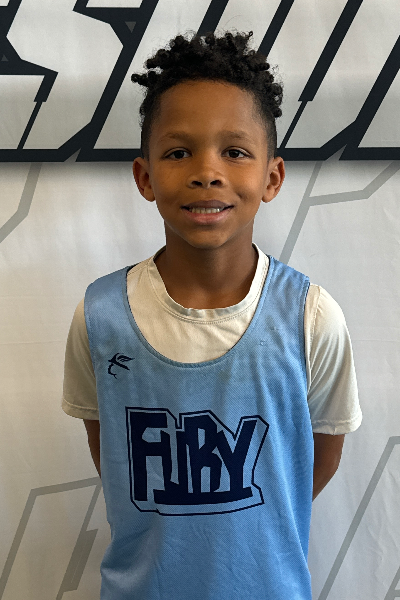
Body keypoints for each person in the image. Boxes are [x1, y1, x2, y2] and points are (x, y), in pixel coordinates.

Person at [62, 30, 362, 600]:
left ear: (272, 177)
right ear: (145, 176)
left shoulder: (311, 316)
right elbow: (116, 461)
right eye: (179, 153)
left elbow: (313, 463)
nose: (207, 171)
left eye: (235, 151)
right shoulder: (100, 315)